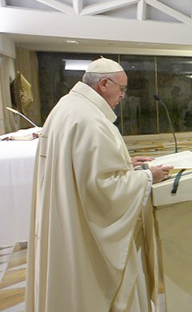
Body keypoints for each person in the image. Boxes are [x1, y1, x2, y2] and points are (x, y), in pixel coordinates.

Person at [26, 57, 172, 312]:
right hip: (85, 231)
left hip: (66, 218)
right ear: (104, 84)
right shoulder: (91, 121)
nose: (123, 96)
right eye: (122, 89)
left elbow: (80, 168)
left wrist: (126, 163)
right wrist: (148, 176)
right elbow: (103, 190)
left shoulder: (68, 106)